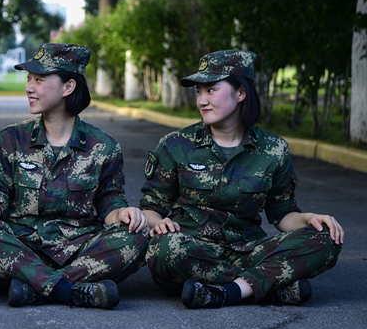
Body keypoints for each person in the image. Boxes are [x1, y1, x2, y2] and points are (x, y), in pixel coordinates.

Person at [141, 49, 343, 309]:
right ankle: (267, 285)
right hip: (191, 250)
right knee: (163, 249)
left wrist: (309, 220)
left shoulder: (273, 149)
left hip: (249, 250)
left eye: (211, 90)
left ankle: (228, 292)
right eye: (198, 91)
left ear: (240, 93)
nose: (202, 100)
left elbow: (282, 214)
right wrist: (158, 224)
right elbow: (150, 208)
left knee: (326, 237)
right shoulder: (175, 145)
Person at [0, 43, 148, 309]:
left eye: (39, 80)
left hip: (79, 251)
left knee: (139, 234)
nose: (29, 87)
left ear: (68, 87)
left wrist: (123, 215)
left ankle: (35, 288)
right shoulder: (10, 139)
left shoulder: (104, 145)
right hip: (22, 247)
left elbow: (109, 203)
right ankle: (69, 290)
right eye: (29, 78)